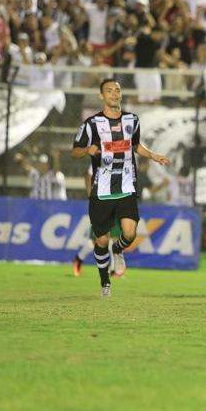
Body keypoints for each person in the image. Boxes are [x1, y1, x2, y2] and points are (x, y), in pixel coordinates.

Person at [71, 79, 170, 297]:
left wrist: (153, 155)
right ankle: (104, 281)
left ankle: (118, 250)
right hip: (102, 190)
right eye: (109, 91)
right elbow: (74, 151)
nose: (114, 94)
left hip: (126, 186)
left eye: (117, 90)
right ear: (101, 96)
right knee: (101, 239)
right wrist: (87, 150)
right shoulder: (91, 124)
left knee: (130, 232)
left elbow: (135, 145)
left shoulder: (131, 120)